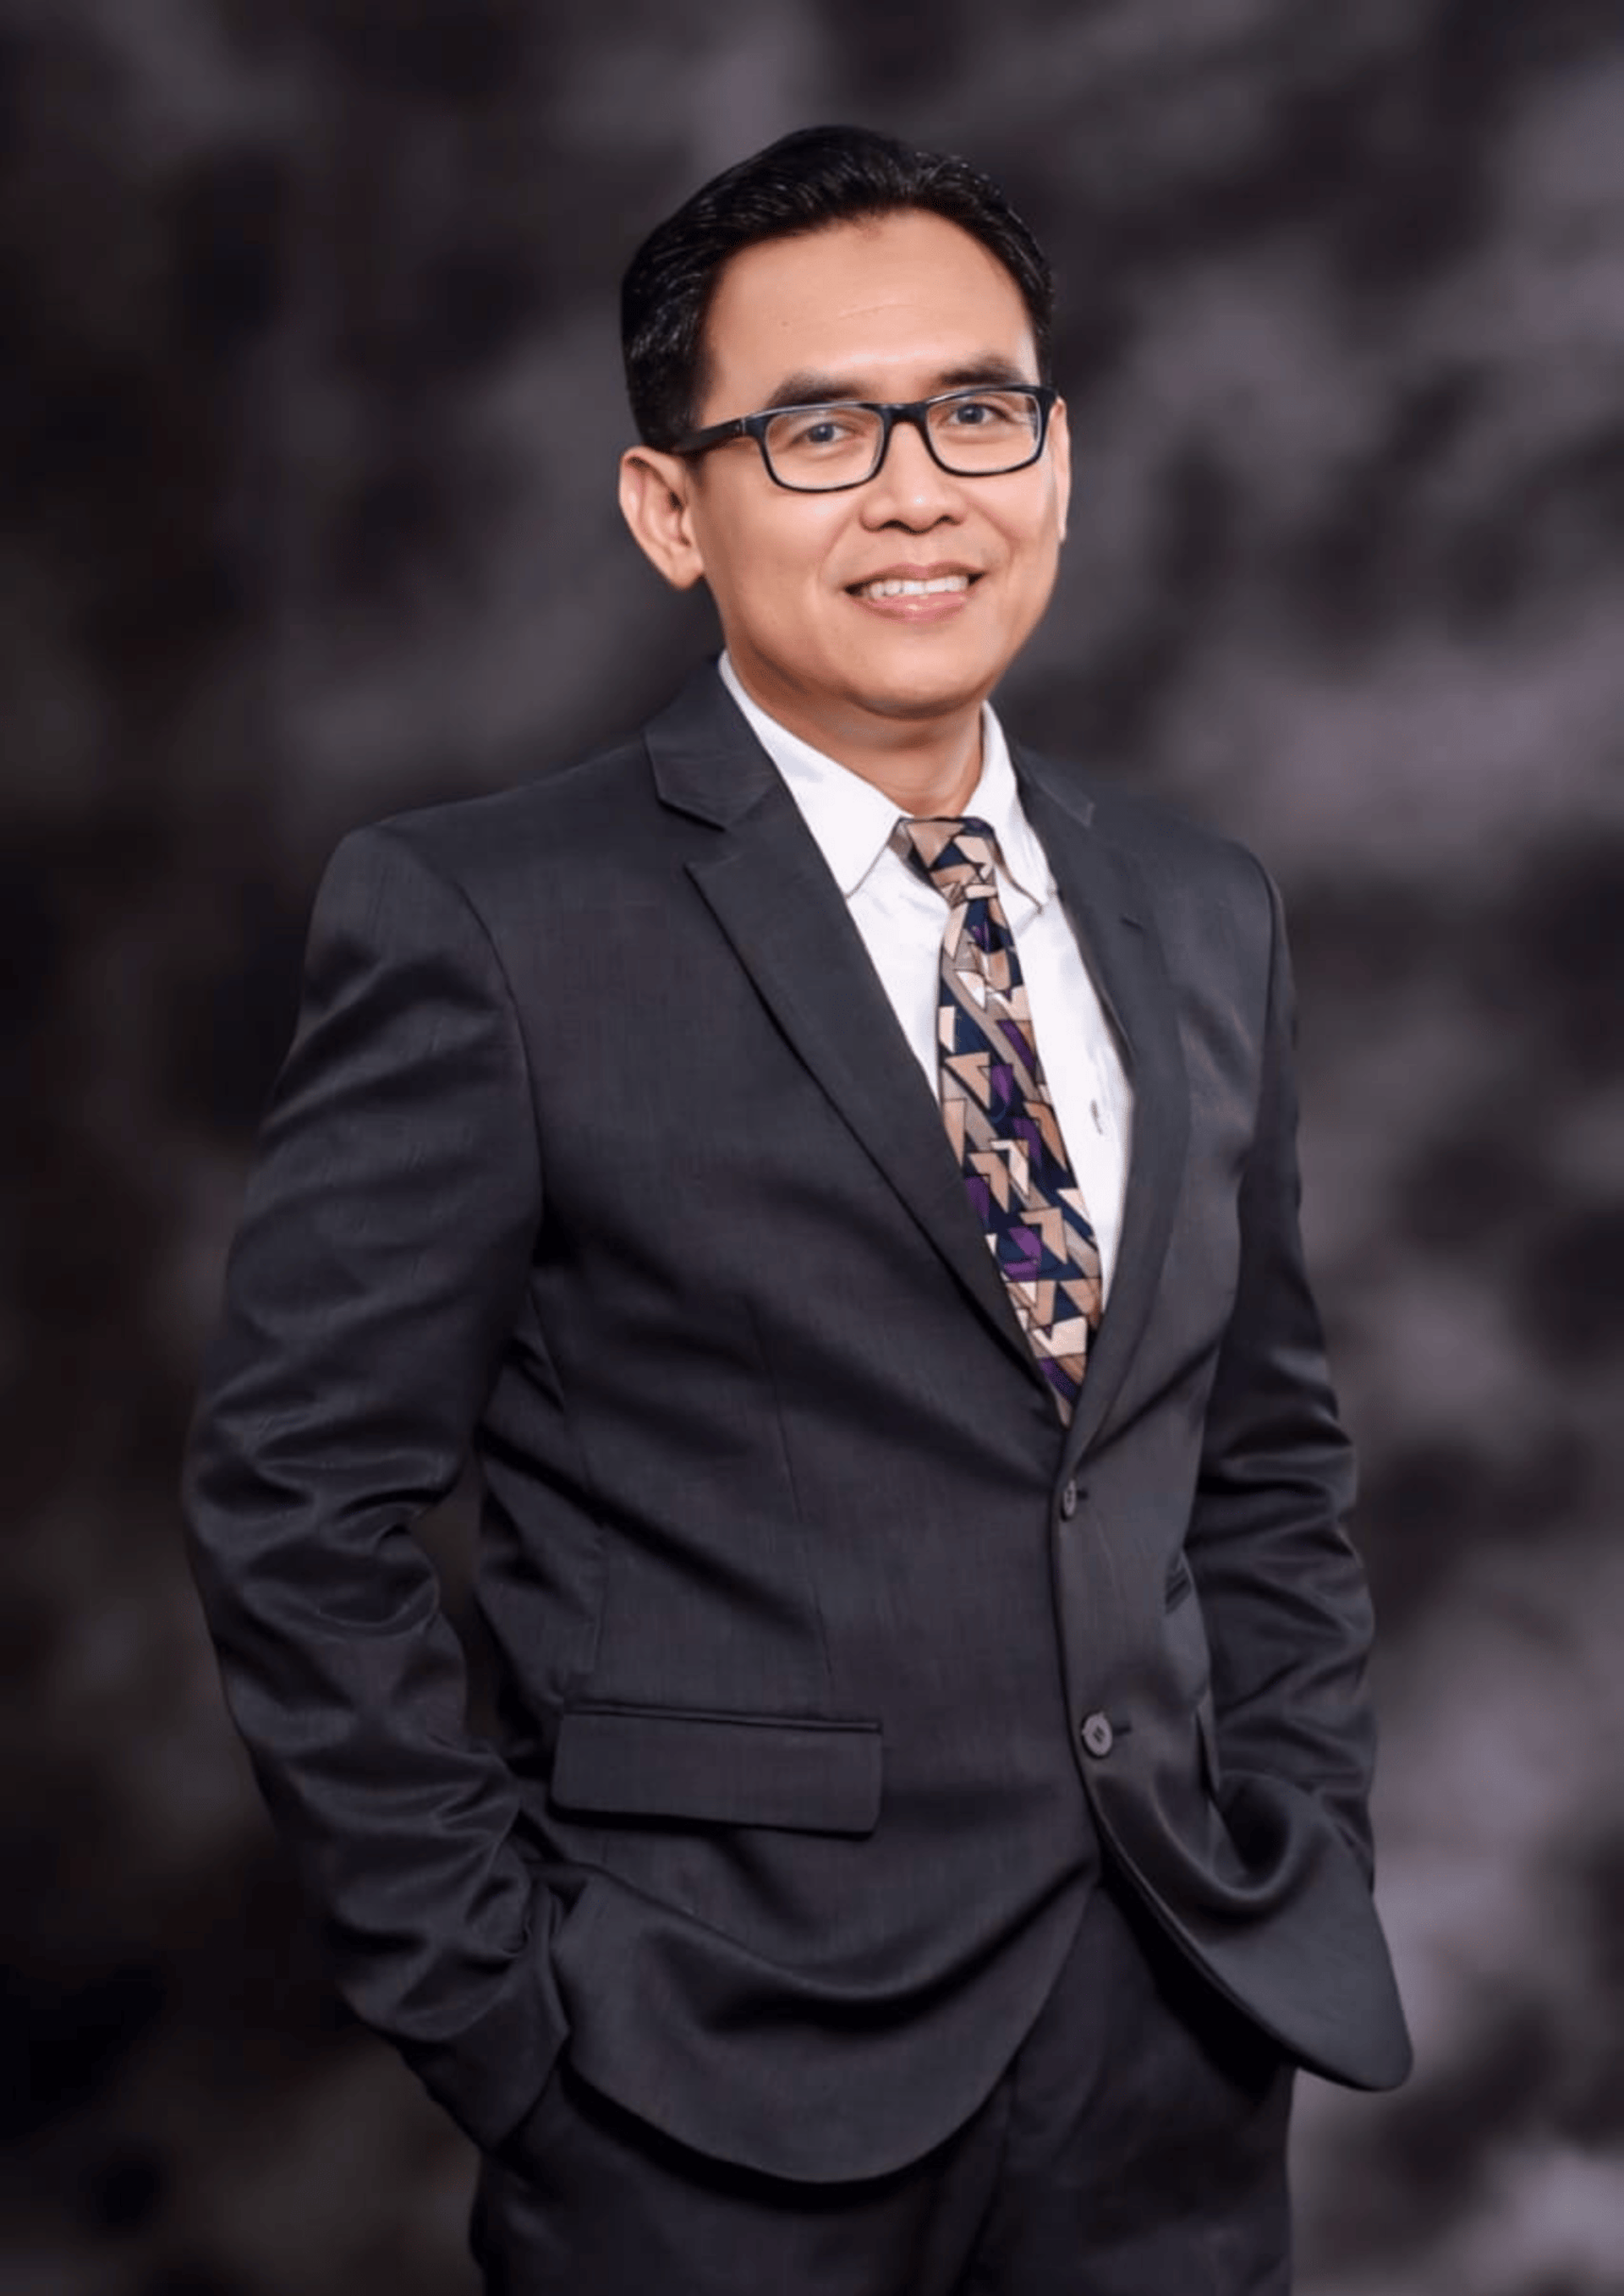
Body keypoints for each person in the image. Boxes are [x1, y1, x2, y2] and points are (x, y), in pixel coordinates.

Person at [184, 124, 1410, 2295]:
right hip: (700, 2078)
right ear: (675, 505)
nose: (920, 489)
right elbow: (299, 1499)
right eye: (819, 430)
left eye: (975, 410)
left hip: (1175, 2055)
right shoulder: (486, 919)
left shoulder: (1203, 910)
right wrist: (507, 2016)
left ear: (1059, 453)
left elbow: (1262, 1452)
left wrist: (1289, 1844)